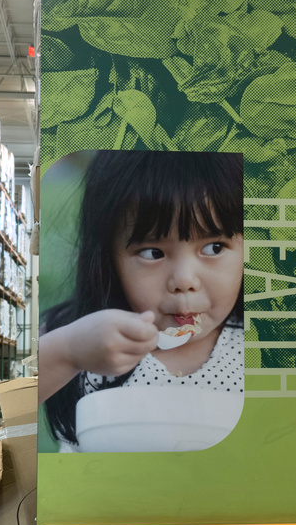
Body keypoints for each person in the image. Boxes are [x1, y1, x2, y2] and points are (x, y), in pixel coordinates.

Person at [39, 151, 244, 451]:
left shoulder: (263, 348)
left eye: (214, 247)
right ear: (108, 258)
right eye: (153, 253)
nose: (185, 280)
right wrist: (69, 352)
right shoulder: (82, 338)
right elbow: (6, 402)